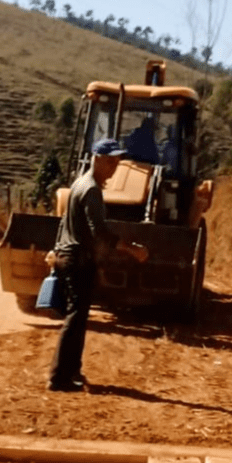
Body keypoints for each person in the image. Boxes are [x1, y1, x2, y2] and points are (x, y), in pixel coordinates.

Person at [48, 138, 149, 392]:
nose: (114, 167)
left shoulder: (79, 183)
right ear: (95, 158)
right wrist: (131, 249)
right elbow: (100, 233)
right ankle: (59, 377)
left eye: (117, 161)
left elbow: (64, 223)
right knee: (75, 317)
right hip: (77, 259)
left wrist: (56, 249)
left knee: (79, 316)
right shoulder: (91, 189)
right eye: (109, 161)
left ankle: (72, 371)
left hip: (69, 256)